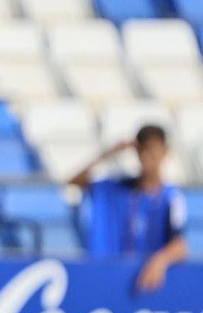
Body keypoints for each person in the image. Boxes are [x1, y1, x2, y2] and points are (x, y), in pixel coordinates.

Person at [72, 124, 188, 292]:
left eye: (152, 149)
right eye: (142, 150)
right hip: (108, 278)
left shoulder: (171, 197)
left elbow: (180, 245)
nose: (147, 156)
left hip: (147, 284)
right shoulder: (117, 188)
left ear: (165, 151)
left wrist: (159, 261)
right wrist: (109, 153)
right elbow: (74, 182)